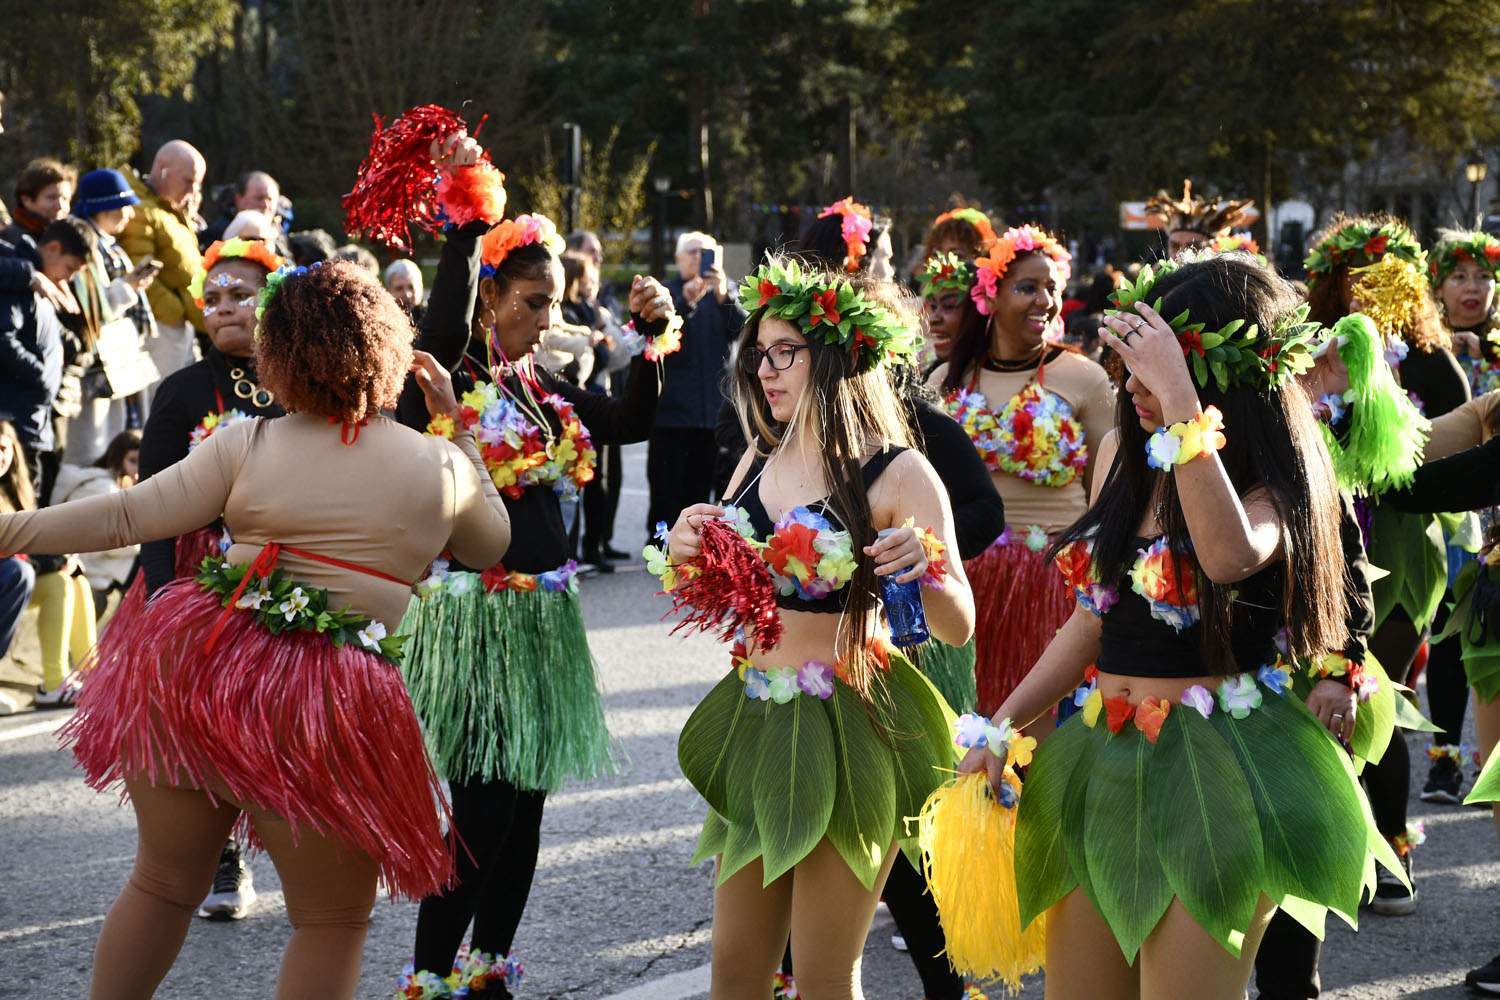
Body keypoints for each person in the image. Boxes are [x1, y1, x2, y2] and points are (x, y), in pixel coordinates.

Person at [0, 257, 512, 999]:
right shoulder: (440, 465)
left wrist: (10, 529)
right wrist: (459, 430)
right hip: (331, 705)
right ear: (387, 350)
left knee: (161, 884)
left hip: (202, 664)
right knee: (330, 922)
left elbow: (123, 515)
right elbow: (489, 547)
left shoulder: (249, 443)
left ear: (279, 355)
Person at [959, 251, 1399, 1000]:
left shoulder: (1281, 473)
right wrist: (1000, 726)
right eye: (1129, 365)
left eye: (1151, 368)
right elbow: (1091, 622)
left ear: (1214, 379)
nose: (1132, 386)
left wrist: (1183, 403)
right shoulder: (1118, 455)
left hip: (1223, 769)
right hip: (1106, 757)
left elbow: (1230, 556)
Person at [384, 131, 676, 997]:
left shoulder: (537, 391)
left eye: (552, 303)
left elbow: (627, 421)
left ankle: (486, 967)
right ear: (489, 302)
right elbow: (437, 316)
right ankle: (430, 976)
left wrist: (656, 337)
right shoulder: (447, 375)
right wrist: (467, 216)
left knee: (527, 808)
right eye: (532, 302)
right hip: (475, 617)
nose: (547, 318)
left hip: (543, 621)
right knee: (480, 811)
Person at [653, 255, 974, 998]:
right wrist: (687, 551)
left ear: (833, 357)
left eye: (786, 353)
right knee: (736, 972)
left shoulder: (899, 474)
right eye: (759, 353)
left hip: (853, 727)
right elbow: (726, 599)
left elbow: (957, 627)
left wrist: (920, 567)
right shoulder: (758, 458)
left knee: (827, 974)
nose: (766, 371)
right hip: (759, 717)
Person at [1304, 213, 1466, 914]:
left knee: (1382, 693)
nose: (1372, 289)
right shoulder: (1312, 349)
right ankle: (1331, 847)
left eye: (1387, 275)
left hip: (1400, 545)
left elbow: (1462, 451)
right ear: (1333, 283)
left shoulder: (1429, 358)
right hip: (1322, 542)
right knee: (1318, 699)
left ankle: (1391, 852)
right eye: (1357, 275)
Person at [929, 225, 1115, 720]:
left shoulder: (1084, 377)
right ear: (990, 295)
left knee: (1039, 729)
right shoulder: (944, 381)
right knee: (967, 720)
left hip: (1055, 578)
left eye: (1053, 288)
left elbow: (1112, 488)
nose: (1046, 301)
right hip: (965, 579)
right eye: (1027, 287)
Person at [1422, 229, 1500, 805]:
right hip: (1456, 523)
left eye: (1483, 276)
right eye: (1460, 276)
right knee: (1448, 641)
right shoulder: (1420, 351)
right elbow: (1427, 445)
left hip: (1475, 515)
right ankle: (1446, 760)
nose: (1473, 287)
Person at [645, 231, 746, 534]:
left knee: (701, 491)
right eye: (692, 252)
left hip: (710, 414)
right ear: (678, 258)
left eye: (706, 252)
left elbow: (743, 332)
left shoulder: (724, 294)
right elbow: (657, 336)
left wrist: (724, 297)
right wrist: (686, 304)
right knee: (667, 489)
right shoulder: (668, 292)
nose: (698, 258)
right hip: (673, 415)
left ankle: (696, 547)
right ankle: (660, 544)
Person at [0, 217, 94, 500]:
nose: (69, 278)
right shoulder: (22, 281)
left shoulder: (39, 282)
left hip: (33, 417)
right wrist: (41, 375)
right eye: (70, 268)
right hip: (16, 417)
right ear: (53, 248)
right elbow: (4, 338)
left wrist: (71, 342)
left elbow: (39, 331)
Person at [70, 168, 159, 463]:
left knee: (120, 433)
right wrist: (129, 286)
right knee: (95, 442)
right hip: (99, 357)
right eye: (123, 207)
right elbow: (94, 305)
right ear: (103, 207)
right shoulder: (84, 242)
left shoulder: (108, 243)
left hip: (121, 354)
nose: (129, 215)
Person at [562, 249, 632, 569]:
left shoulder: (593, 311)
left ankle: (597, 544)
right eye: (587, 280)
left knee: (601, 478)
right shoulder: (567, 313)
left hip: (599, 395)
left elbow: (616, 355)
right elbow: (593, 360)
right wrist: (595, 343)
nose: (593, 286)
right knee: (578, 479)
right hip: (578, 401)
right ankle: (576, 550)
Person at [120, 140, 207, 393]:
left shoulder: (168, 210)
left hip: (181, 327)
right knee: (163, 404)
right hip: (161, 331)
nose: (192, 191)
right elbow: (139, 269)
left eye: (197, 184)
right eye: (188, 181)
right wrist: (176, 311)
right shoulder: (140, 211)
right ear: (162, 168)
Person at [50, 429, 140, 615]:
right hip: (82, 562)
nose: (137, 469)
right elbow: (112, 539)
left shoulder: (104, 482)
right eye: (132, 461)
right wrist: (140, 542)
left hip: (92, 559)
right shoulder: (104, 488)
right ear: (117, 456)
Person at [1143, 179, 1256, 258]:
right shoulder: (1154, 286)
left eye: (1193, 247)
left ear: (1214, 249)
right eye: (1175, 246)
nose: (1180, 254)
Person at [0, 157, 76, 244]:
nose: (60, 206)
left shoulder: (70, 240)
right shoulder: (9, 242)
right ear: (26, 200)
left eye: (65, 199)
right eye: (51, 197)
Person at [198, 171, 280, 248]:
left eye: (270, 199)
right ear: (238, 199)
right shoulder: (217, 234)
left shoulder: (280, 235)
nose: (265, 205)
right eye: (259, 198)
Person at [385, 258, 425, 323]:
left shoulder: (432, 320)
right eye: (399, 288)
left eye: (411, 287)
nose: (407, 294)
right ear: (388, 292)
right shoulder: (382, 322)